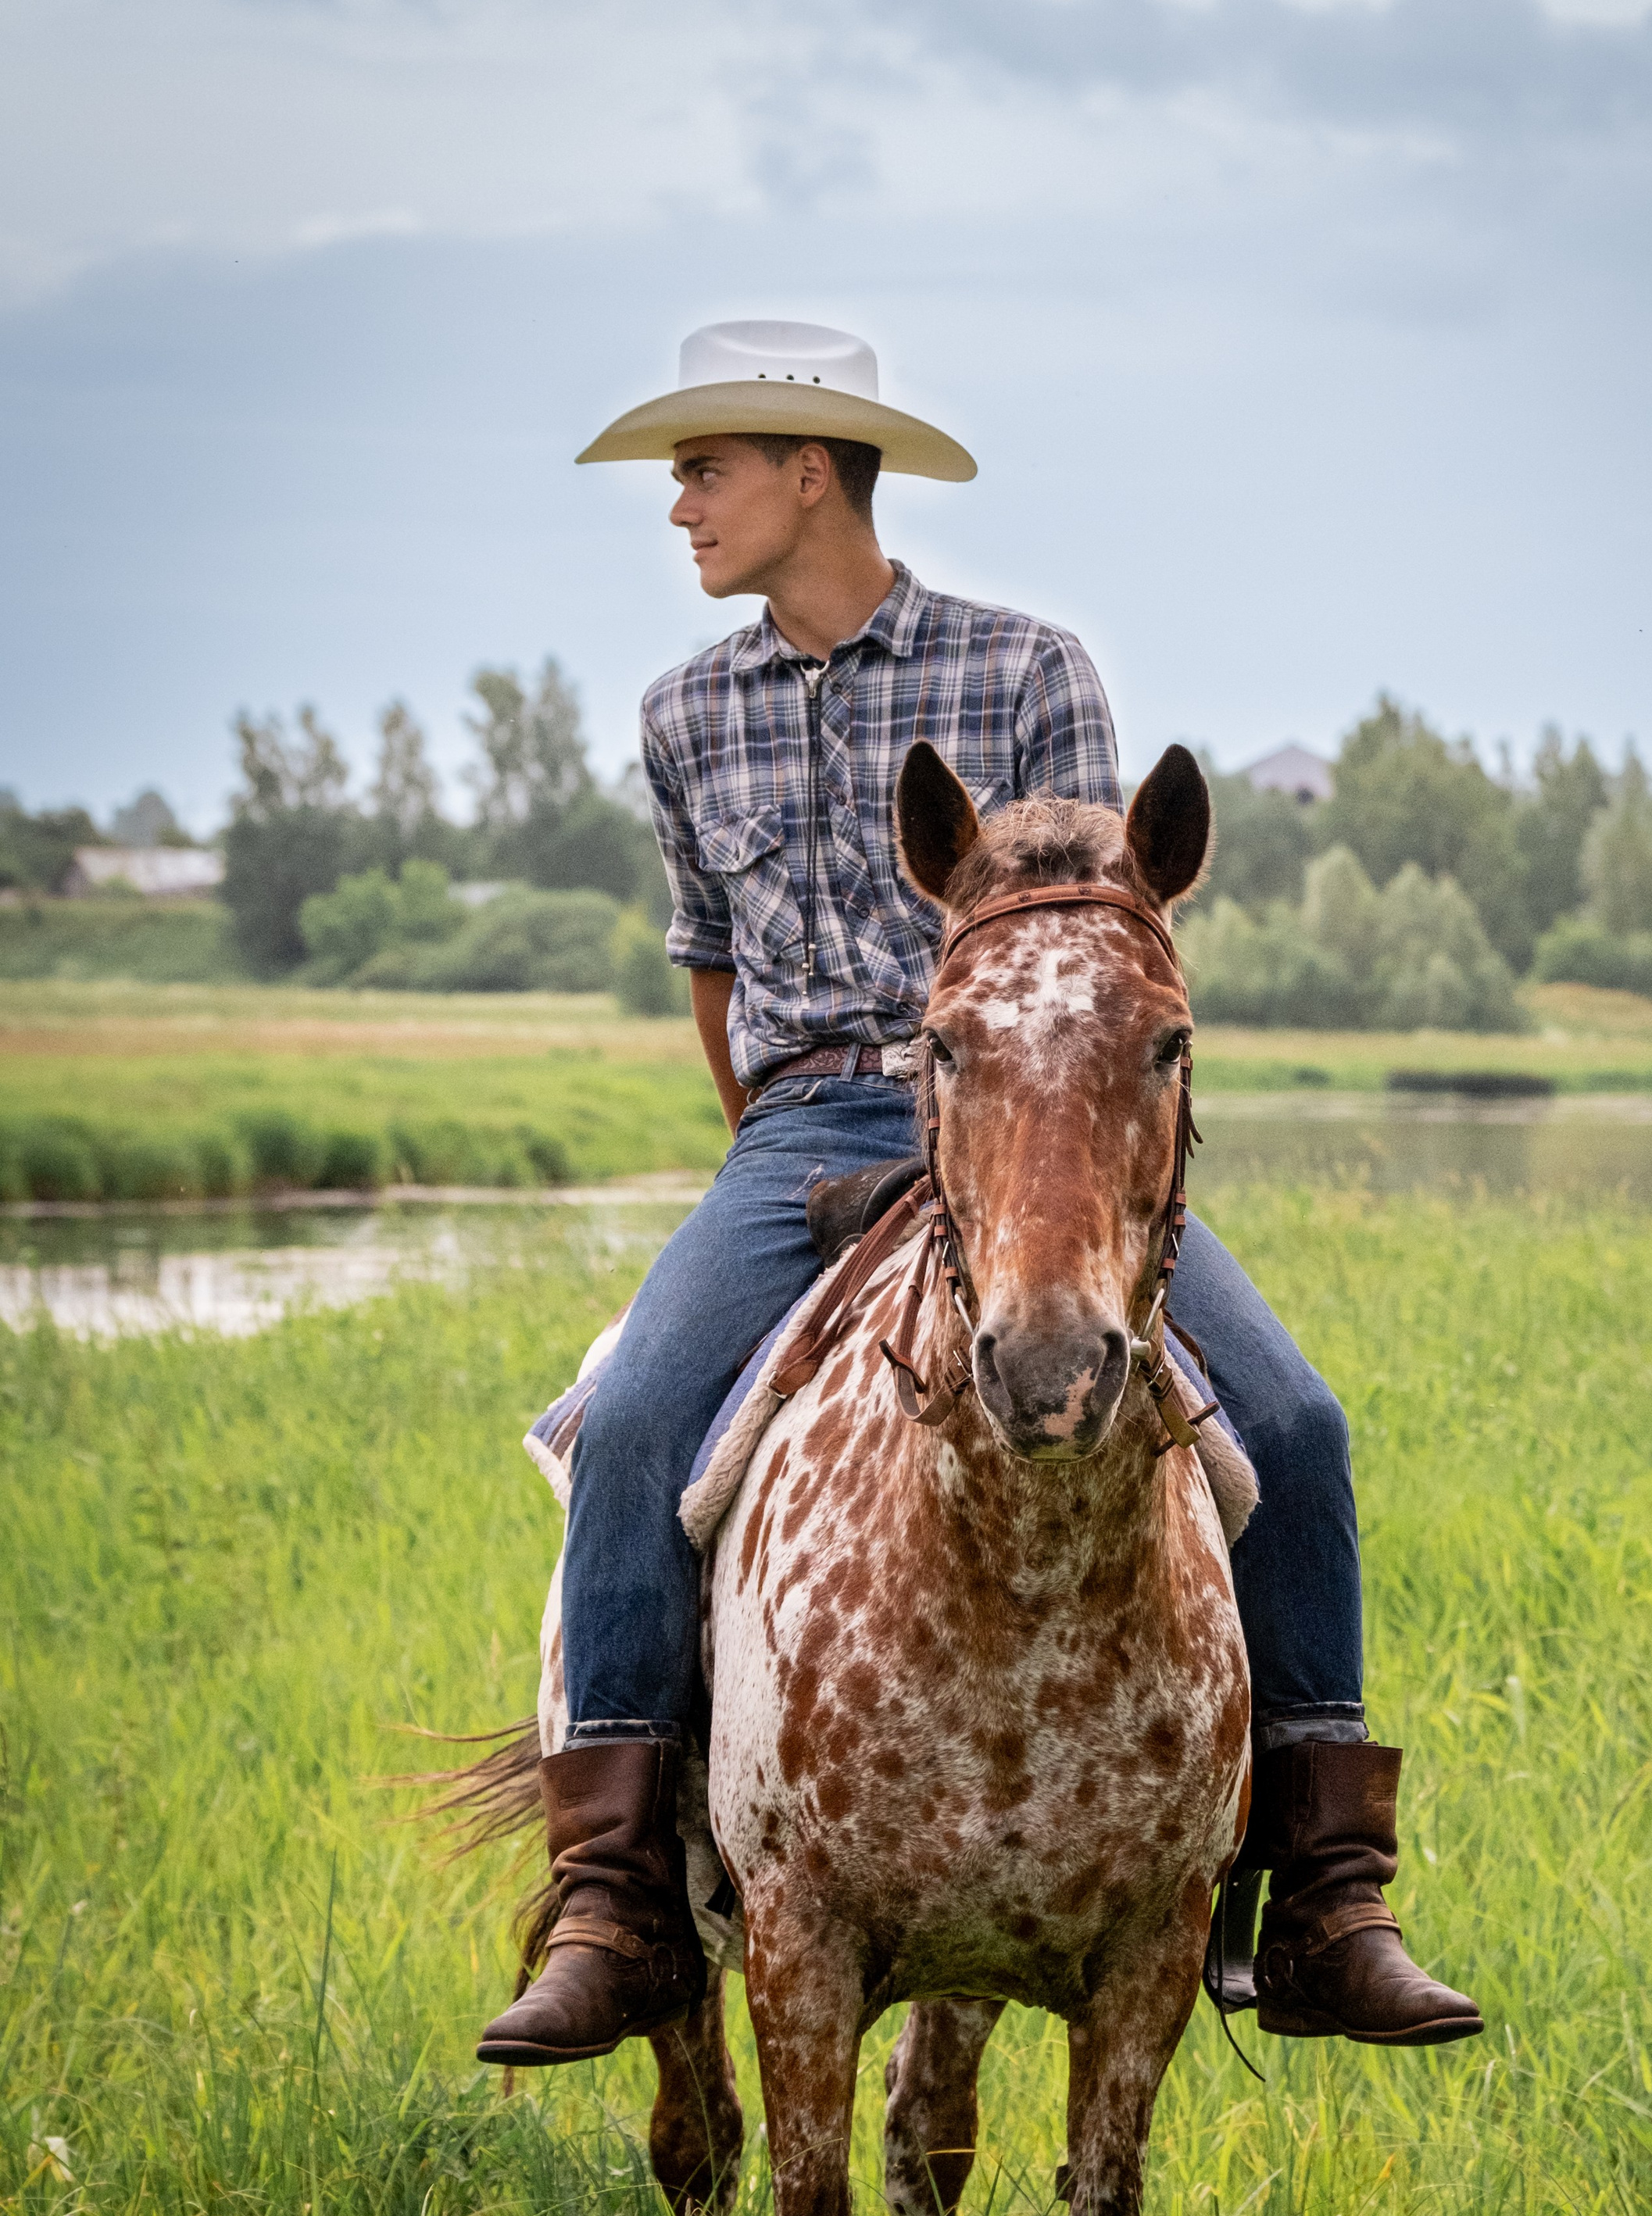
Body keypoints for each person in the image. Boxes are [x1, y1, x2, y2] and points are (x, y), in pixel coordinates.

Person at [475, 320, 1480, 2068]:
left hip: (1038, 1112)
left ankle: (1327, 1894)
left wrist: (1030, 1132)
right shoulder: (681, 717)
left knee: (1299, 1429)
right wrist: (790, 1145)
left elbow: (1105, 939)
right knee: (635, 1420)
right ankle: (620, 1901)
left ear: (812, 470)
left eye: (702, 470)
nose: (679, 509)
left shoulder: (1025, 671)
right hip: (803, 1132)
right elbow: (708, 972)